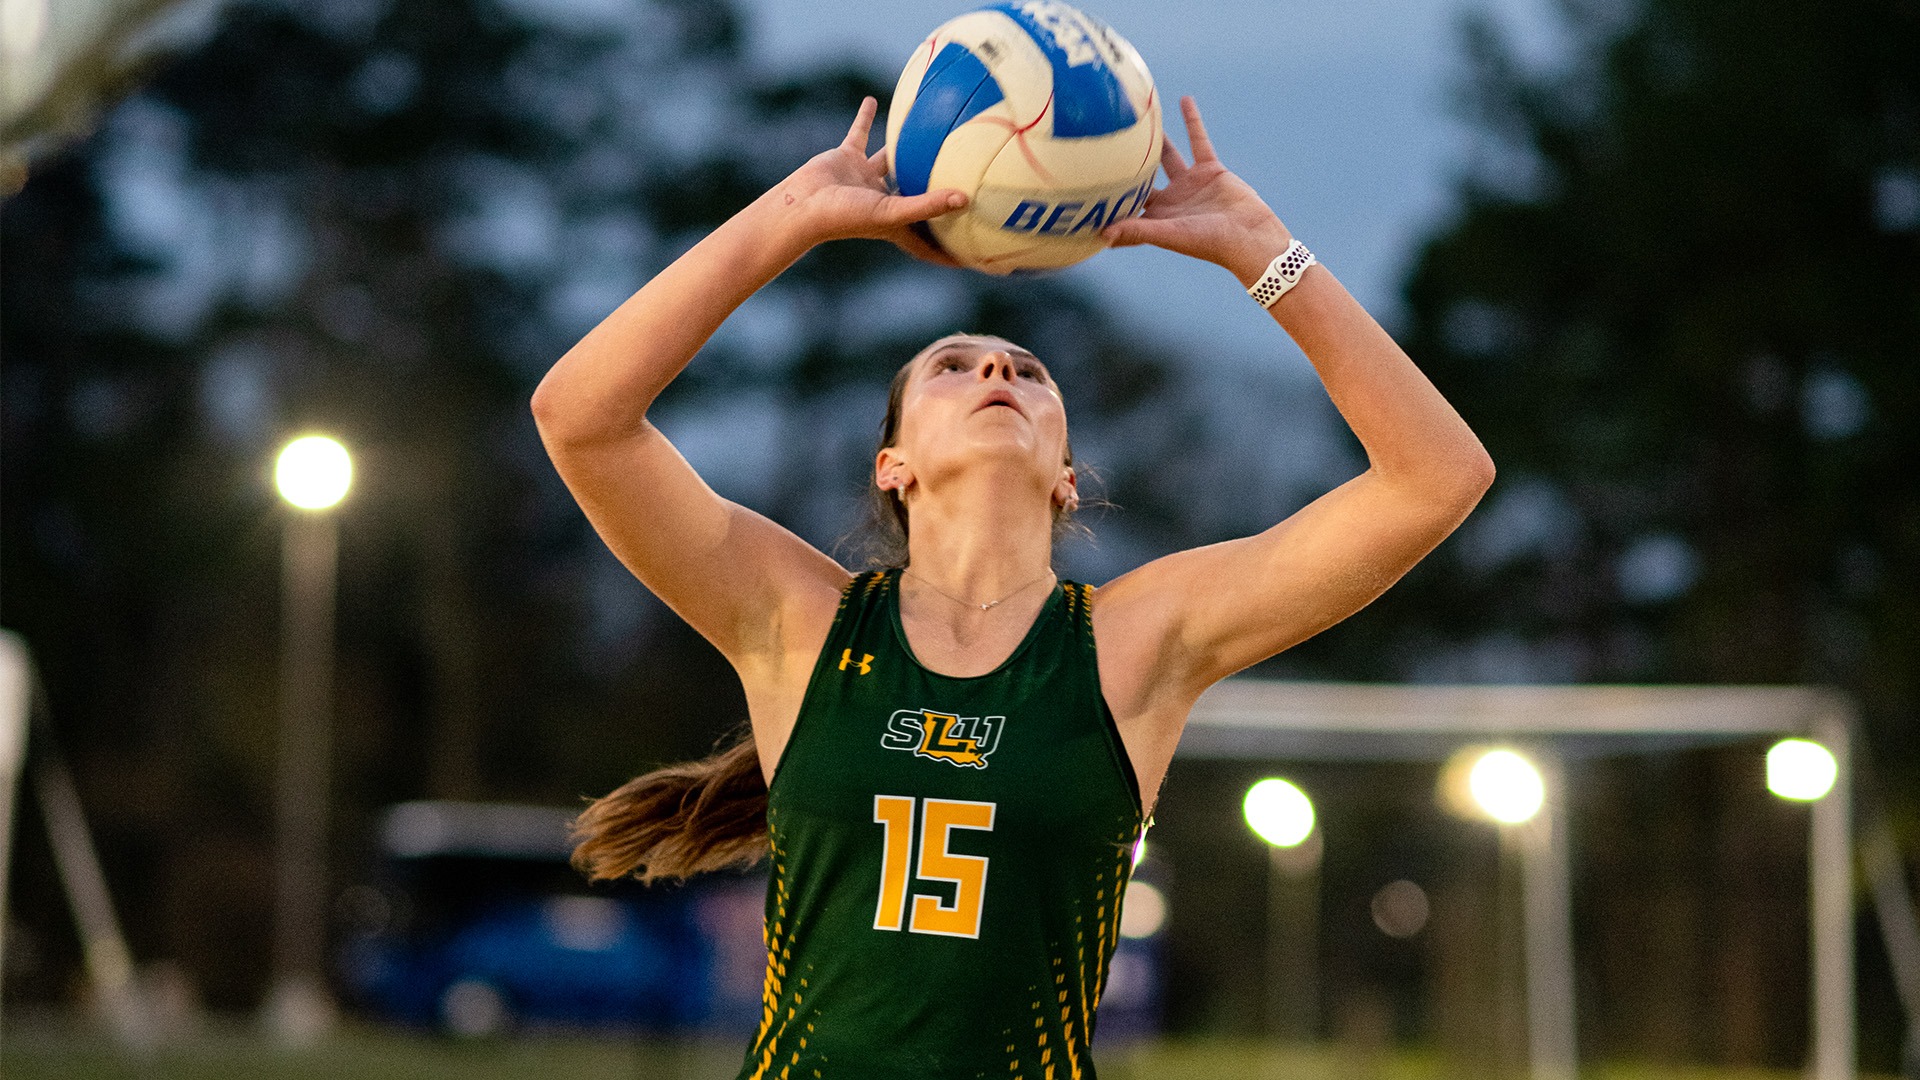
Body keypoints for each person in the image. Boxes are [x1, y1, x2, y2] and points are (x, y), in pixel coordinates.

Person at [532, 95, 1493, 1080]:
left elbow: (1438, 477)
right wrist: (787, 220)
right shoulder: (805, 622)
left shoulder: (1131, 643)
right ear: (893, 463)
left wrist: (1266, 256)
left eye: (1029, 373)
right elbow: (581, 417)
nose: (996, 365)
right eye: (951, 365)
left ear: (1066, 473)